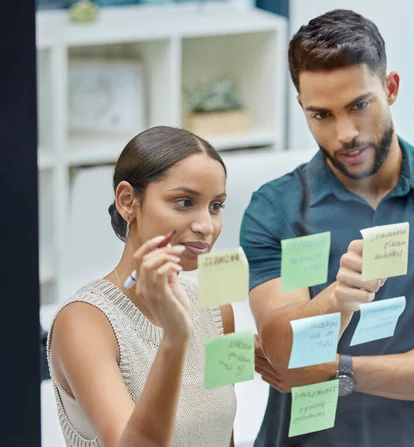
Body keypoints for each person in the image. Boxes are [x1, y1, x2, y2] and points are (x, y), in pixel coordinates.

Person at [242, 9, 414, 447]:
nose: (345, 133)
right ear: (302, 108)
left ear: (390, 88)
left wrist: (339, 370)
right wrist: (338, 298)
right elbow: (285, 353)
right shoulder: (277, 209)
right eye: (322, 115)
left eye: (359, 106)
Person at [47, 126, 273, 447]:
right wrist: (175, 336)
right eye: (184, 202)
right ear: (128, 201)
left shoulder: (215, 308)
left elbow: (225, 435)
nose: (206, 226)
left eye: (215, 206)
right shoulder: (84, 322)